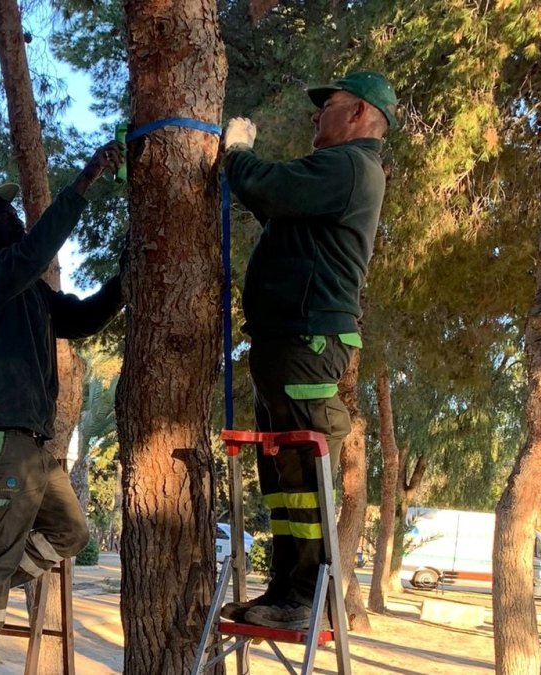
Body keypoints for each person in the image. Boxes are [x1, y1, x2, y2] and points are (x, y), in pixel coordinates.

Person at [0, 141, 126, 675]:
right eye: (3, 214)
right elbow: (36, 250)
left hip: (37, 446)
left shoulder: (33, 293)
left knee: (72, 534)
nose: (14, 216)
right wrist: (83, 182)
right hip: (2, 440)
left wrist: (121, 284)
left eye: (13, 210)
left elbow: (82, 319)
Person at [218, 71, 397, 630]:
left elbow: (271, 189)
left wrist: (239, 155)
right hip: (287, 343)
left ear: (361, 113)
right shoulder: (340, 172)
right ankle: (286, 590)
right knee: (285, 480)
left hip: (306, 341)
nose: (317, 116)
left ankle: (305, 598)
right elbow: (277, 205)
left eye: (330, 106)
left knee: (302, 476)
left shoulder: (349, 166)